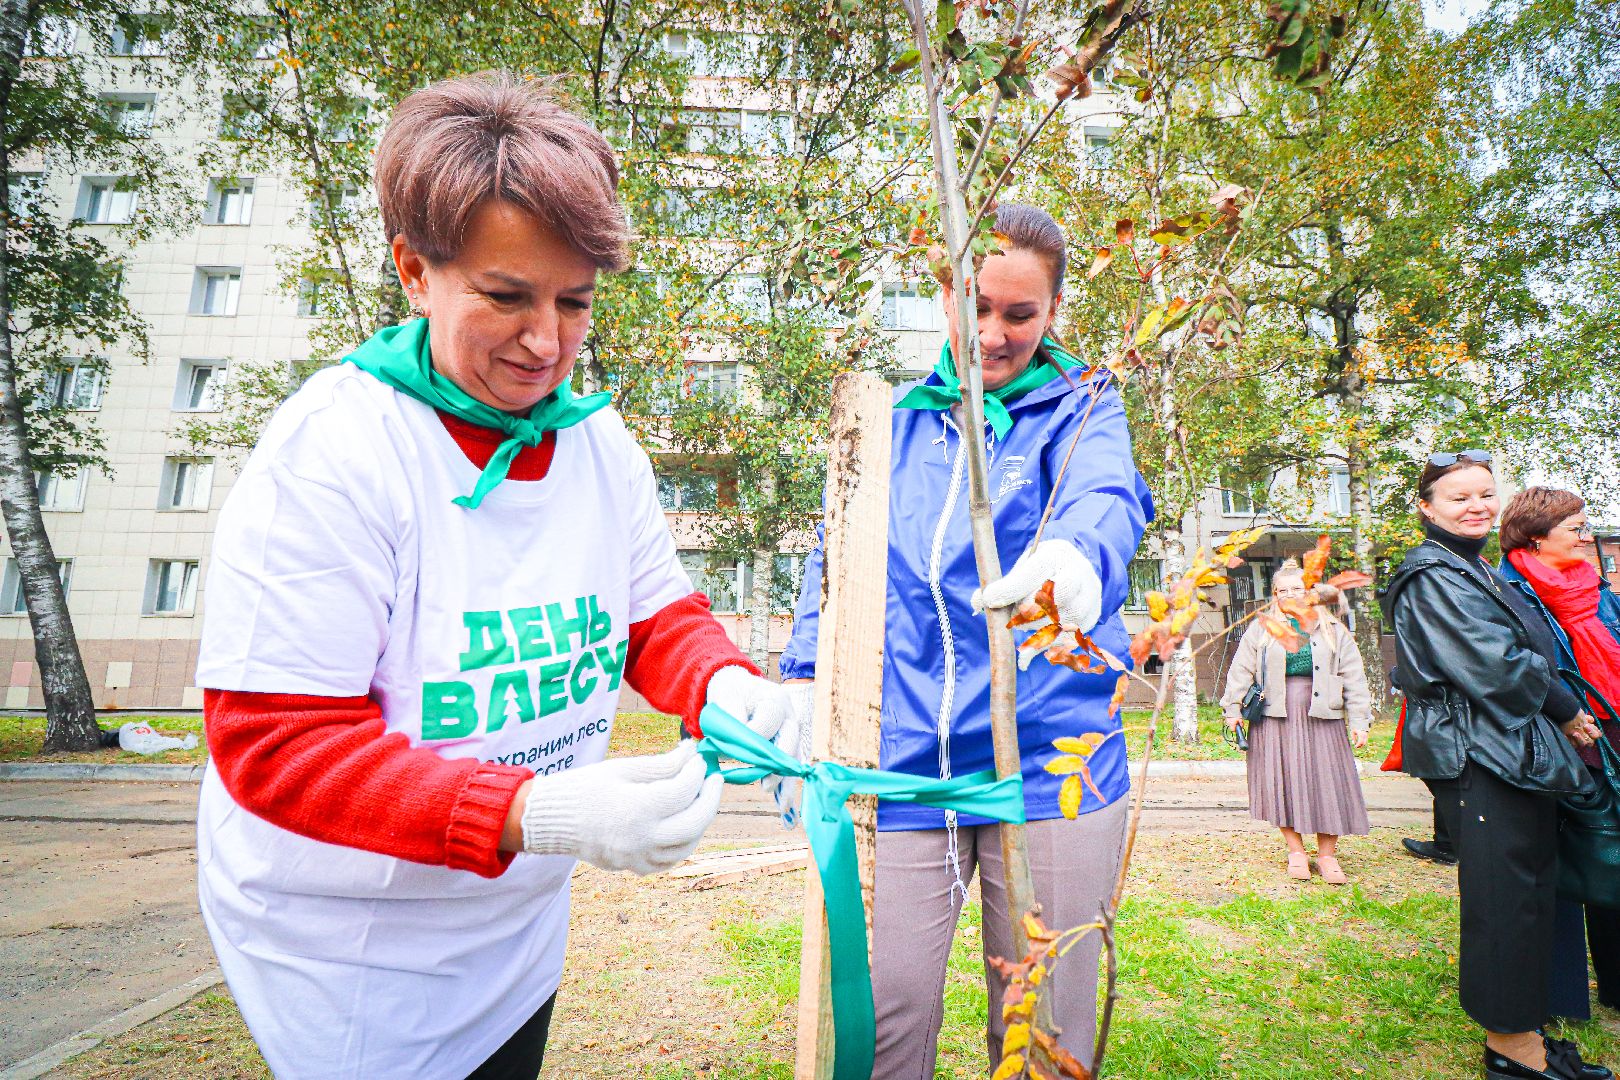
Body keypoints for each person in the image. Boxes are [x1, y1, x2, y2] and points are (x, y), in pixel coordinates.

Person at [192, 74, 797, 1080]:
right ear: (415, 273)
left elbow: (654, 621)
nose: (546, 343)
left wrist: (730, 689)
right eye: (506, 297)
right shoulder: (338, 453)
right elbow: (276, 743)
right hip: (353, 961)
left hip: (508, 934)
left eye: (575, 303)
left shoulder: (598, 448)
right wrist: (536, 813)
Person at [780, 203, 1153, 1077]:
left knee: (1039, 1022)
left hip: (1052, 764)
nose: (991, 334)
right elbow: (835, 558)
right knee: (885, 1011)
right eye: (974, 306)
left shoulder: (1086, 409)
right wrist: (804, 685)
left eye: (1019, 315)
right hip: (906, 760)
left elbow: (1108, 500)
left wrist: (1071, 559)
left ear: (1053, 311)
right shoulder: (895, 423)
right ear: (943, 293)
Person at [1382, 451, 1611, 1080]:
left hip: (1508, 751)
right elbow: (1497, 664)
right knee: (1504, 901)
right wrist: (1565, 704)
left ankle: (1523, 1034)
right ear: (1427, 507)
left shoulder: (1471, 567)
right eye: (1458, 497)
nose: (1477, 506)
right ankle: (1512, 1053)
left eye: (1485, 494)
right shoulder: (1431, 574)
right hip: (1479, 753)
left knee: (1531, 892)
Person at [1498, 487, 1620, 1021]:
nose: (1586, 536)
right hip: (1553, 741)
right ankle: (1566, 999)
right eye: (1575, 527)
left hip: (1611, 734)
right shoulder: (1508, 588)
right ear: (1537, 535)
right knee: (1560, 865)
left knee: (1611, 856)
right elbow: (1514, 670)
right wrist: (1566, 717)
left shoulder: (1595, 585)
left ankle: (1617, 985)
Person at [1219, 561, 1371, 884]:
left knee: (1328, 783)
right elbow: (1241, 670)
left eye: (1297, 589)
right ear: (1274, 595)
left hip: (1322, 716)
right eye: (1283, 590)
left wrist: (1360, 720)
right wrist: (1232, 708)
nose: (1290, 595)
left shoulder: (1332, 629)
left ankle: (1327, 856)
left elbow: (1354, 676)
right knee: (1282, 783)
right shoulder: (1262, 629)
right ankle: (1296, 852)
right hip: (1275, 716)